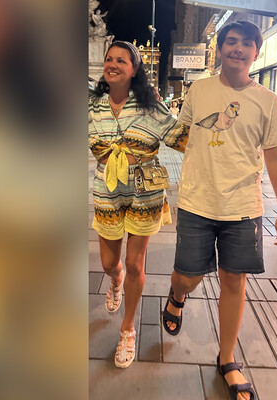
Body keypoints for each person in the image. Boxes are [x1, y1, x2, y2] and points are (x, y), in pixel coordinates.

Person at [162, 21, 277, 400]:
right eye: (231, 42)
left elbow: (275, 158)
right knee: (188, 277)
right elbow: (182, 135)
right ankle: (177, 296)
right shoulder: (199, 90)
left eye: (246, 44)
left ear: (256, 52)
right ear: (219, 49)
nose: (238, 48)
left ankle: (227, 359)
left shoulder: (269, 101)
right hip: (197, 201)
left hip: (243, 207)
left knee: (234, 281)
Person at [88, 41, 188, 369]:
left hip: (144, 191)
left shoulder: (150, 106)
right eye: (109, 59)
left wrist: (222, 138)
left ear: (134, 70)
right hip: (107, 189)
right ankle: (115, 279)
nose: (113, 64)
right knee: (109, 263)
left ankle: (128, 329)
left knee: (135, 263)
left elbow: (180, 137)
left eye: (122, 60)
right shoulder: (92, 105)